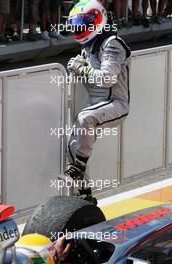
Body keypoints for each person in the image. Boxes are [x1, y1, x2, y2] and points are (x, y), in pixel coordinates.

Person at [58, 0, 131, 200]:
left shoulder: (112, 44)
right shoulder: (88, 47)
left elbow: (107, 79)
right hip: (96, 106)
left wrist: (81, 68)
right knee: (73, 147)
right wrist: (80, 68)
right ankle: (85, 197)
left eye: (83, 24)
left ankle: (79, 168)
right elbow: (90, 76)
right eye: (77, 24)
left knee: (85, 118)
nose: (79, 29)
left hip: (117, 104)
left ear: (97, 21)